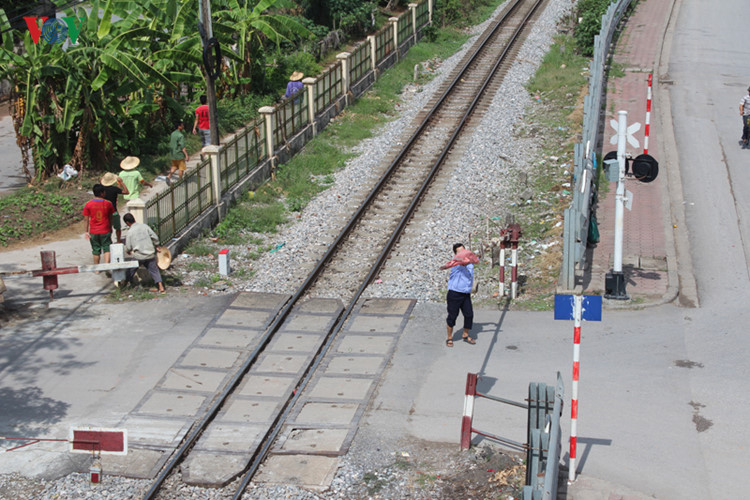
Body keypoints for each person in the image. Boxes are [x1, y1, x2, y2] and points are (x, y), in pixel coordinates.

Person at [439, 243, 476, 347]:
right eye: (460, 251)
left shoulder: (470, 262)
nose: (463, 253)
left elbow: (474, 259)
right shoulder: (456, 262)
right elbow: (462, 262)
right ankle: (450, 338)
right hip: (454, 294)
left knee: (469, 315)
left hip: (465, 294)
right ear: (455, 254)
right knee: (452, 316)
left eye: (464, 250)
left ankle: (465, 334)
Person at [123, 213, 166, 293]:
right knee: (155, 271)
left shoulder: (130, 232)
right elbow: (155, 237)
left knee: (130, 270)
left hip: (139, 256)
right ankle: (161, 287)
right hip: (150, 254)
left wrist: (128, 251)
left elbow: (128, 247)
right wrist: (157, 245)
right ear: (134, 219)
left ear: (127, 223)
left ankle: (124, 285)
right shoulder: (144, 226)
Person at [83, 184, 115, 267]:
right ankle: (106, 266)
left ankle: (97, 268)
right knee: (107, 248)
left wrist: (86, 231)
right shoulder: (108, 204)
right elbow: (110, 217)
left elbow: (86, 219)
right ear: (102, 193)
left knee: (96, 250)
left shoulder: (88, 204)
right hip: (105, 230)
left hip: (93, 231)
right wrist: (110, 227)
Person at [100, 172, 129, 244]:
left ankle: (108, 241)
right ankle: (118, 240)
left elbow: (100, 182)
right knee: (118, 228)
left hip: (104, 211)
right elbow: (126, 192)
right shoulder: (114, 189)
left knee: (107, 228)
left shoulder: (101, 189)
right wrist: (121, 182)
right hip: (113, 211)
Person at [192, 95, 210, 161]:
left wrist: (194, 128)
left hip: (201, 127)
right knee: (208, 143)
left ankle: (203, 152)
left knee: (203, 142)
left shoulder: (197, 109)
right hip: (208, 127)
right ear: (206, 100)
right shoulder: (209, 108)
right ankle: (203, 154)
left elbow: (196, 119)